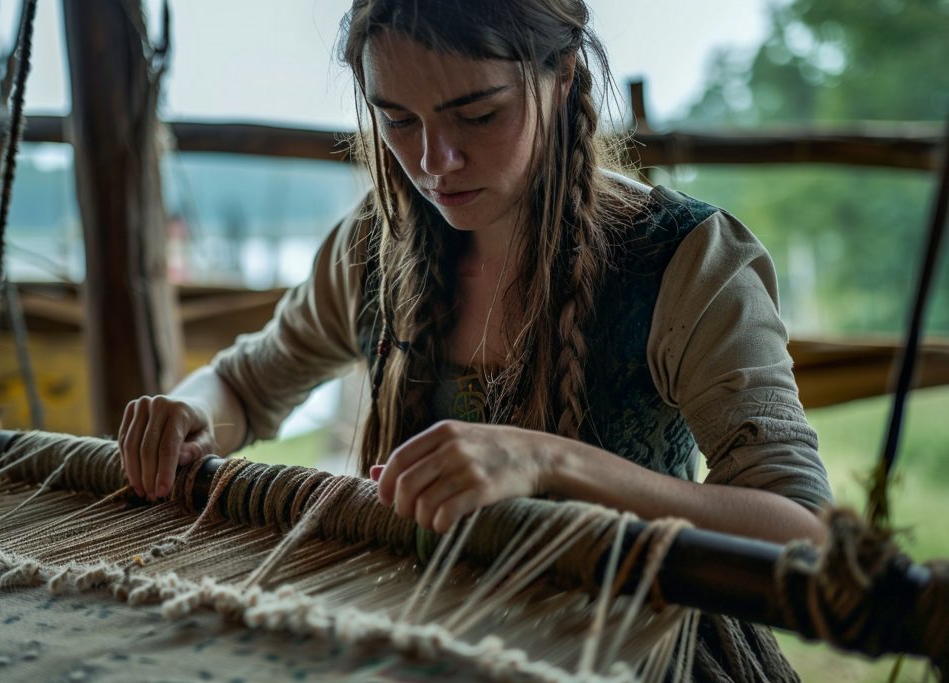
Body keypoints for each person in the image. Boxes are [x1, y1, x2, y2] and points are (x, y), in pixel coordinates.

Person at [117, 0, 831, 546]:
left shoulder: (688, 263)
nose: (434, 162)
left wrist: (548, 461)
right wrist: (189, 411)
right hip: (413, 635)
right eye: (398, 121)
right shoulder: (375, 246)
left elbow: (800, 527)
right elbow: (246, 385)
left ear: (562, 75)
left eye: (479, 115)